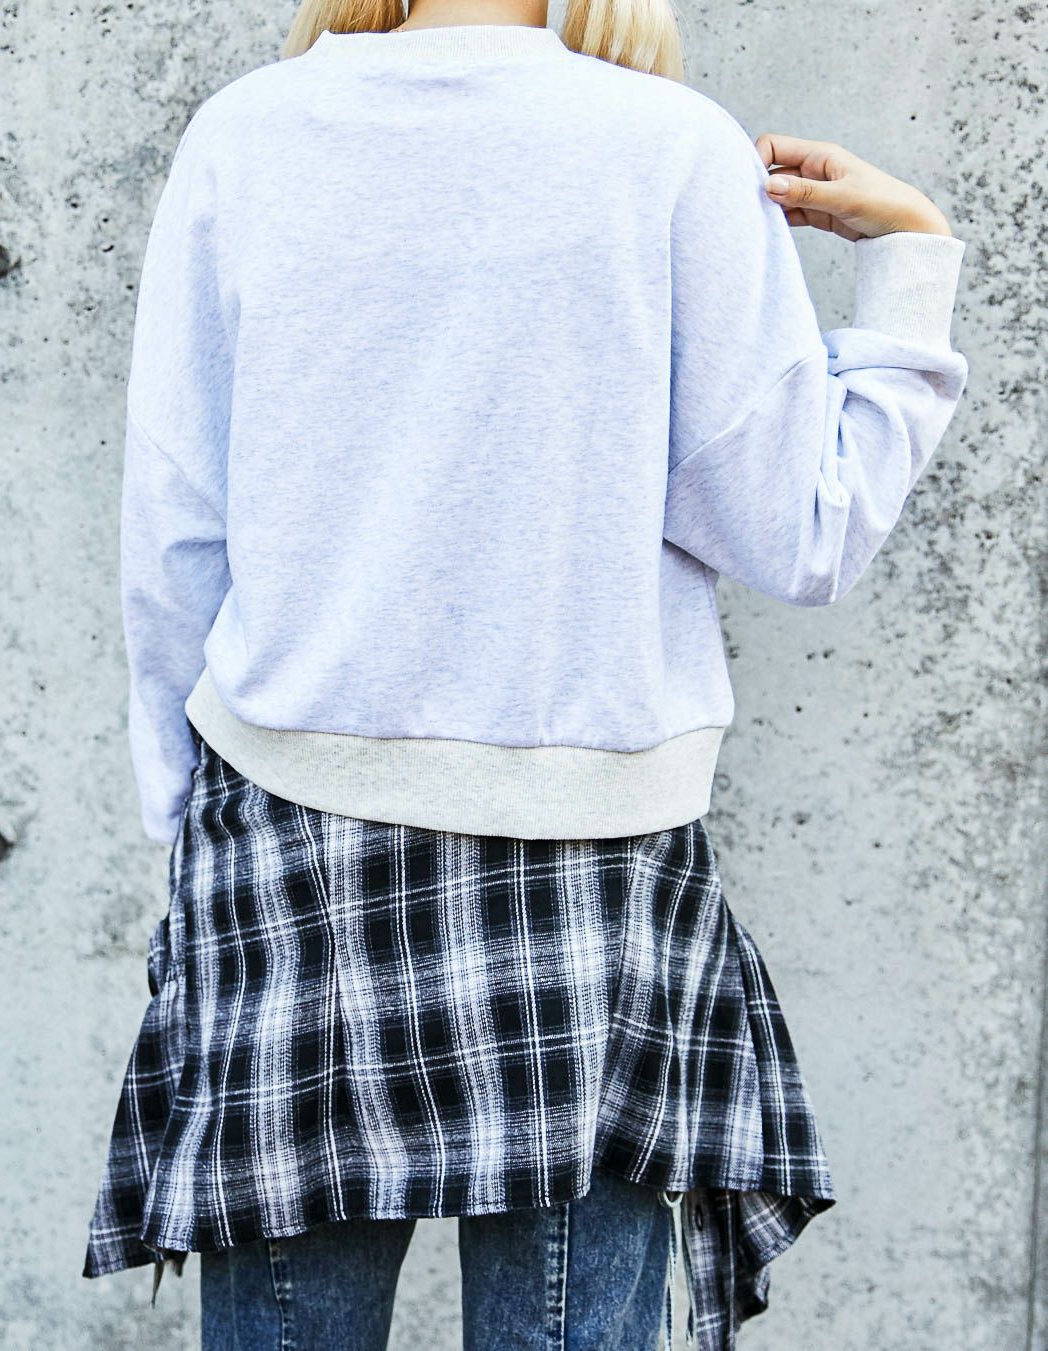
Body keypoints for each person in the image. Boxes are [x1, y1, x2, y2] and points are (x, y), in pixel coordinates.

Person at [81, 1, 969, 1347]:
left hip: (287, 836)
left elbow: (177, 525)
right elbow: (800, 531)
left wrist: (184, 827)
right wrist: (908, 260)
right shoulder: (668, 147)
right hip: (594, 854)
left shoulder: (248, 133)